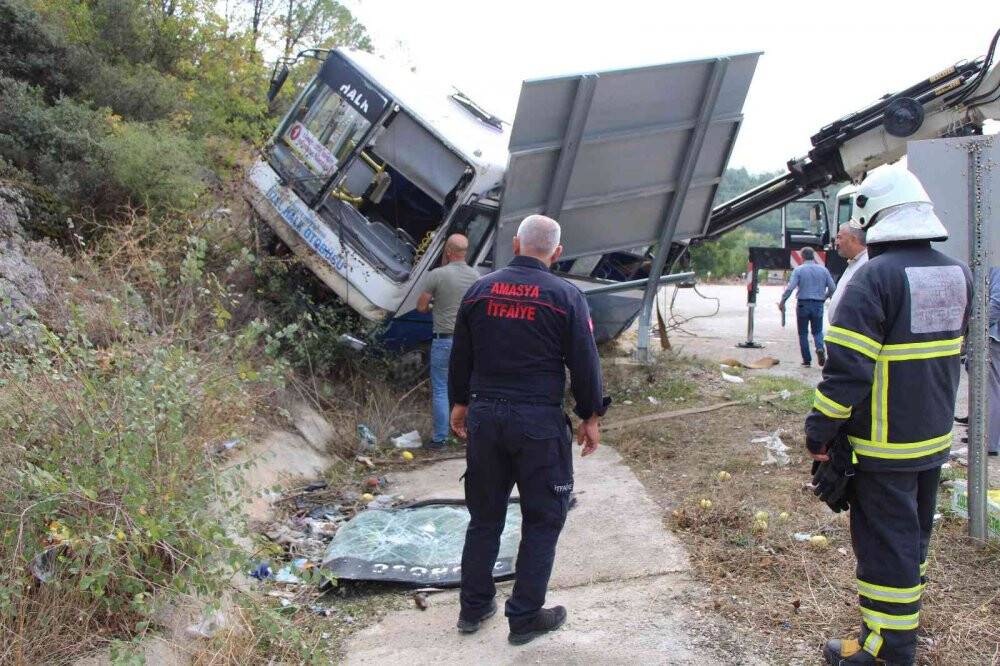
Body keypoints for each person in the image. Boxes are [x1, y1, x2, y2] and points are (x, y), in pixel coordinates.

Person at [804, 166, 972, 666]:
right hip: (930, 439)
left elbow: (846, 372)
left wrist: (819, 430)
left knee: (884, 547)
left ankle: (887, 651)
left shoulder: (873, 278)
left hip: (882, 444)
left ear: (869, 213)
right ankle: (894, 632)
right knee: (911, 541)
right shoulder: (955, 271)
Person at [448, 214, 608, 645]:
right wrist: (591, 416)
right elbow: (585, 362)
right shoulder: (565, 295)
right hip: (537, 422)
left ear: (516, 243)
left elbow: (461, 353)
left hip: (485, 417)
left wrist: (460, 403)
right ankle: (524, 616)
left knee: (484, 518)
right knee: (542, 518)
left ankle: (474, 607)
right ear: (557, 252)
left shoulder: (479, 290)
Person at [416, 234, 480, 449]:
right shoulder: (476, 277)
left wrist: (436, 307)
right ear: (465, 252)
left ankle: (440, 439)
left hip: (444, 340)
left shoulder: (437, 275)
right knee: (471, 388)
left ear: (448, 251)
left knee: (442, 388)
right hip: (469, 343)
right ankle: (471, 435)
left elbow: (421, 307)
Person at [779, 246, 837, 366]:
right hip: (818, 304)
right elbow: (833, 288)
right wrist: (824, 297)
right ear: (814, 256)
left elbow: (790, 288)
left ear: (802, 256)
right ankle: (820, 348)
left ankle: (807, 360)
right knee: (817, 331)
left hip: (803, 304)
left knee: (803, 333)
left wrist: (783, 301)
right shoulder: (824, 270)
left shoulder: (799, 270)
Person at [828, 223, 869, 321]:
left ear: (853, 239)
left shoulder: (867, 265)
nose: (836, 243)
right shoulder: (854, 263)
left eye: (839, 238)